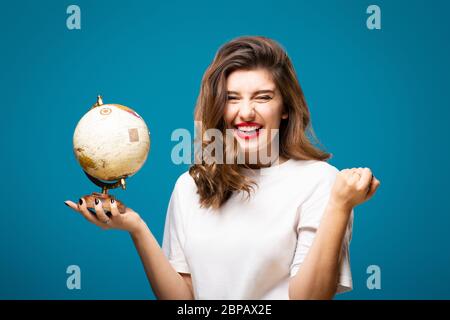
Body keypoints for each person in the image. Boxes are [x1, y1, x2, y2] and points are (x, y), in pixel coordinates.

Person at [65, 36, 380, 300]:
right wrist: (136, 227)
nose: (246, 112)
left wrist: (339, 206)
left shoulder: (320, 181)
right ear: (219, 106)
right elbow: (185, 300)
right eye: (232, 98)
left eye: (263, 97)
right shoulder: (190, 185)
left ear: (285, 108)